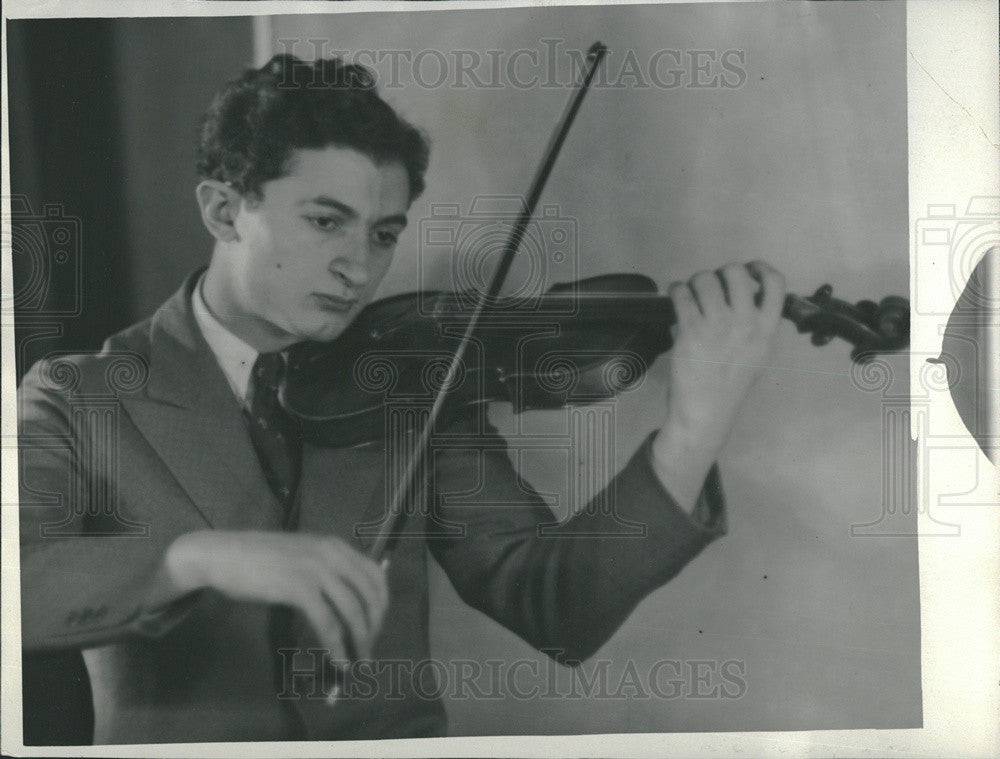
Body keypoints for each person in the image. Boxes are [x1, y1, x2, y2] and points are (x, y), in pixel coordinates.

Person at [17, 54, 786, 743]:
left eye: (384, 234)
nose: (359, 266)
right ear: (224, 210)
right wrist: (199, 557)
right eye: (326, 222)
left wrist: (694, 428)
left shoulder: (412, 384)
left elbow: (557, 605)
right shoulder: (80, 397)